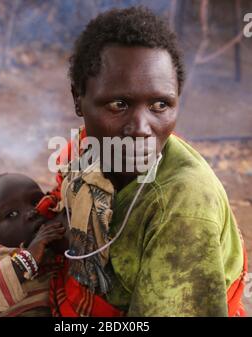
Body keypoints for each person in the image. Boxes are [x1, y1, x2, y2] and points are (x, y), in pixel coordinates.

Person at [39, 7, 247, 317]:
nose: (140, 127)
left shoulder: (182, 203)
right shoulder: (85, 151)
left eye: (160, 104)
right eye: (119, 104)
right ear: (78, 99)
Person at [0, 173, 67, 316]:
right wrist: (27, 259)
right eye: (13, 214)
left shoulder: (52, 243)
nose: (31, 212)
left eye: (36, 202)